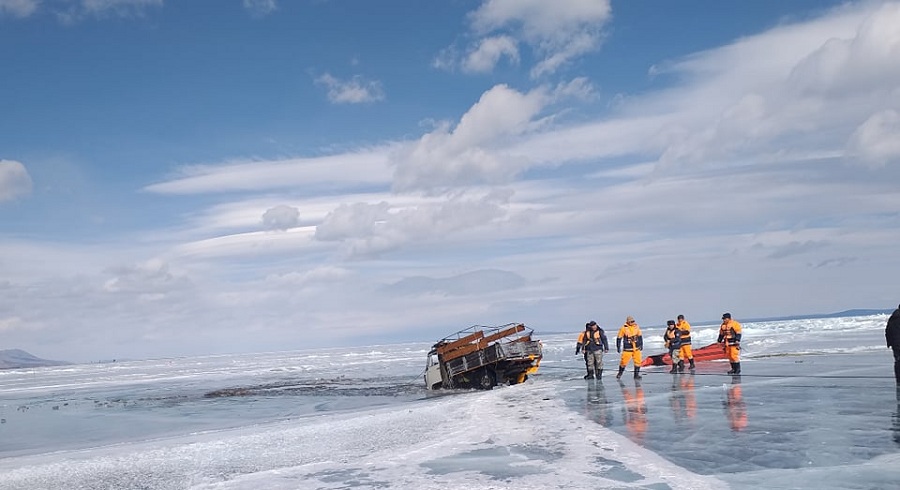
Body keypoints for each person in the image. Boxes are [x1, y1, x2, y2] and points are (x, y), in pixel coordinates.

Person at [886, 304, 900, 382]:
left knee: (898, 361)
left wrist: (889, 342)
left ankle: (898, 378)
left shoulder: (893, 318)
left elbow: (888, 330)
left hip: (895, 344)